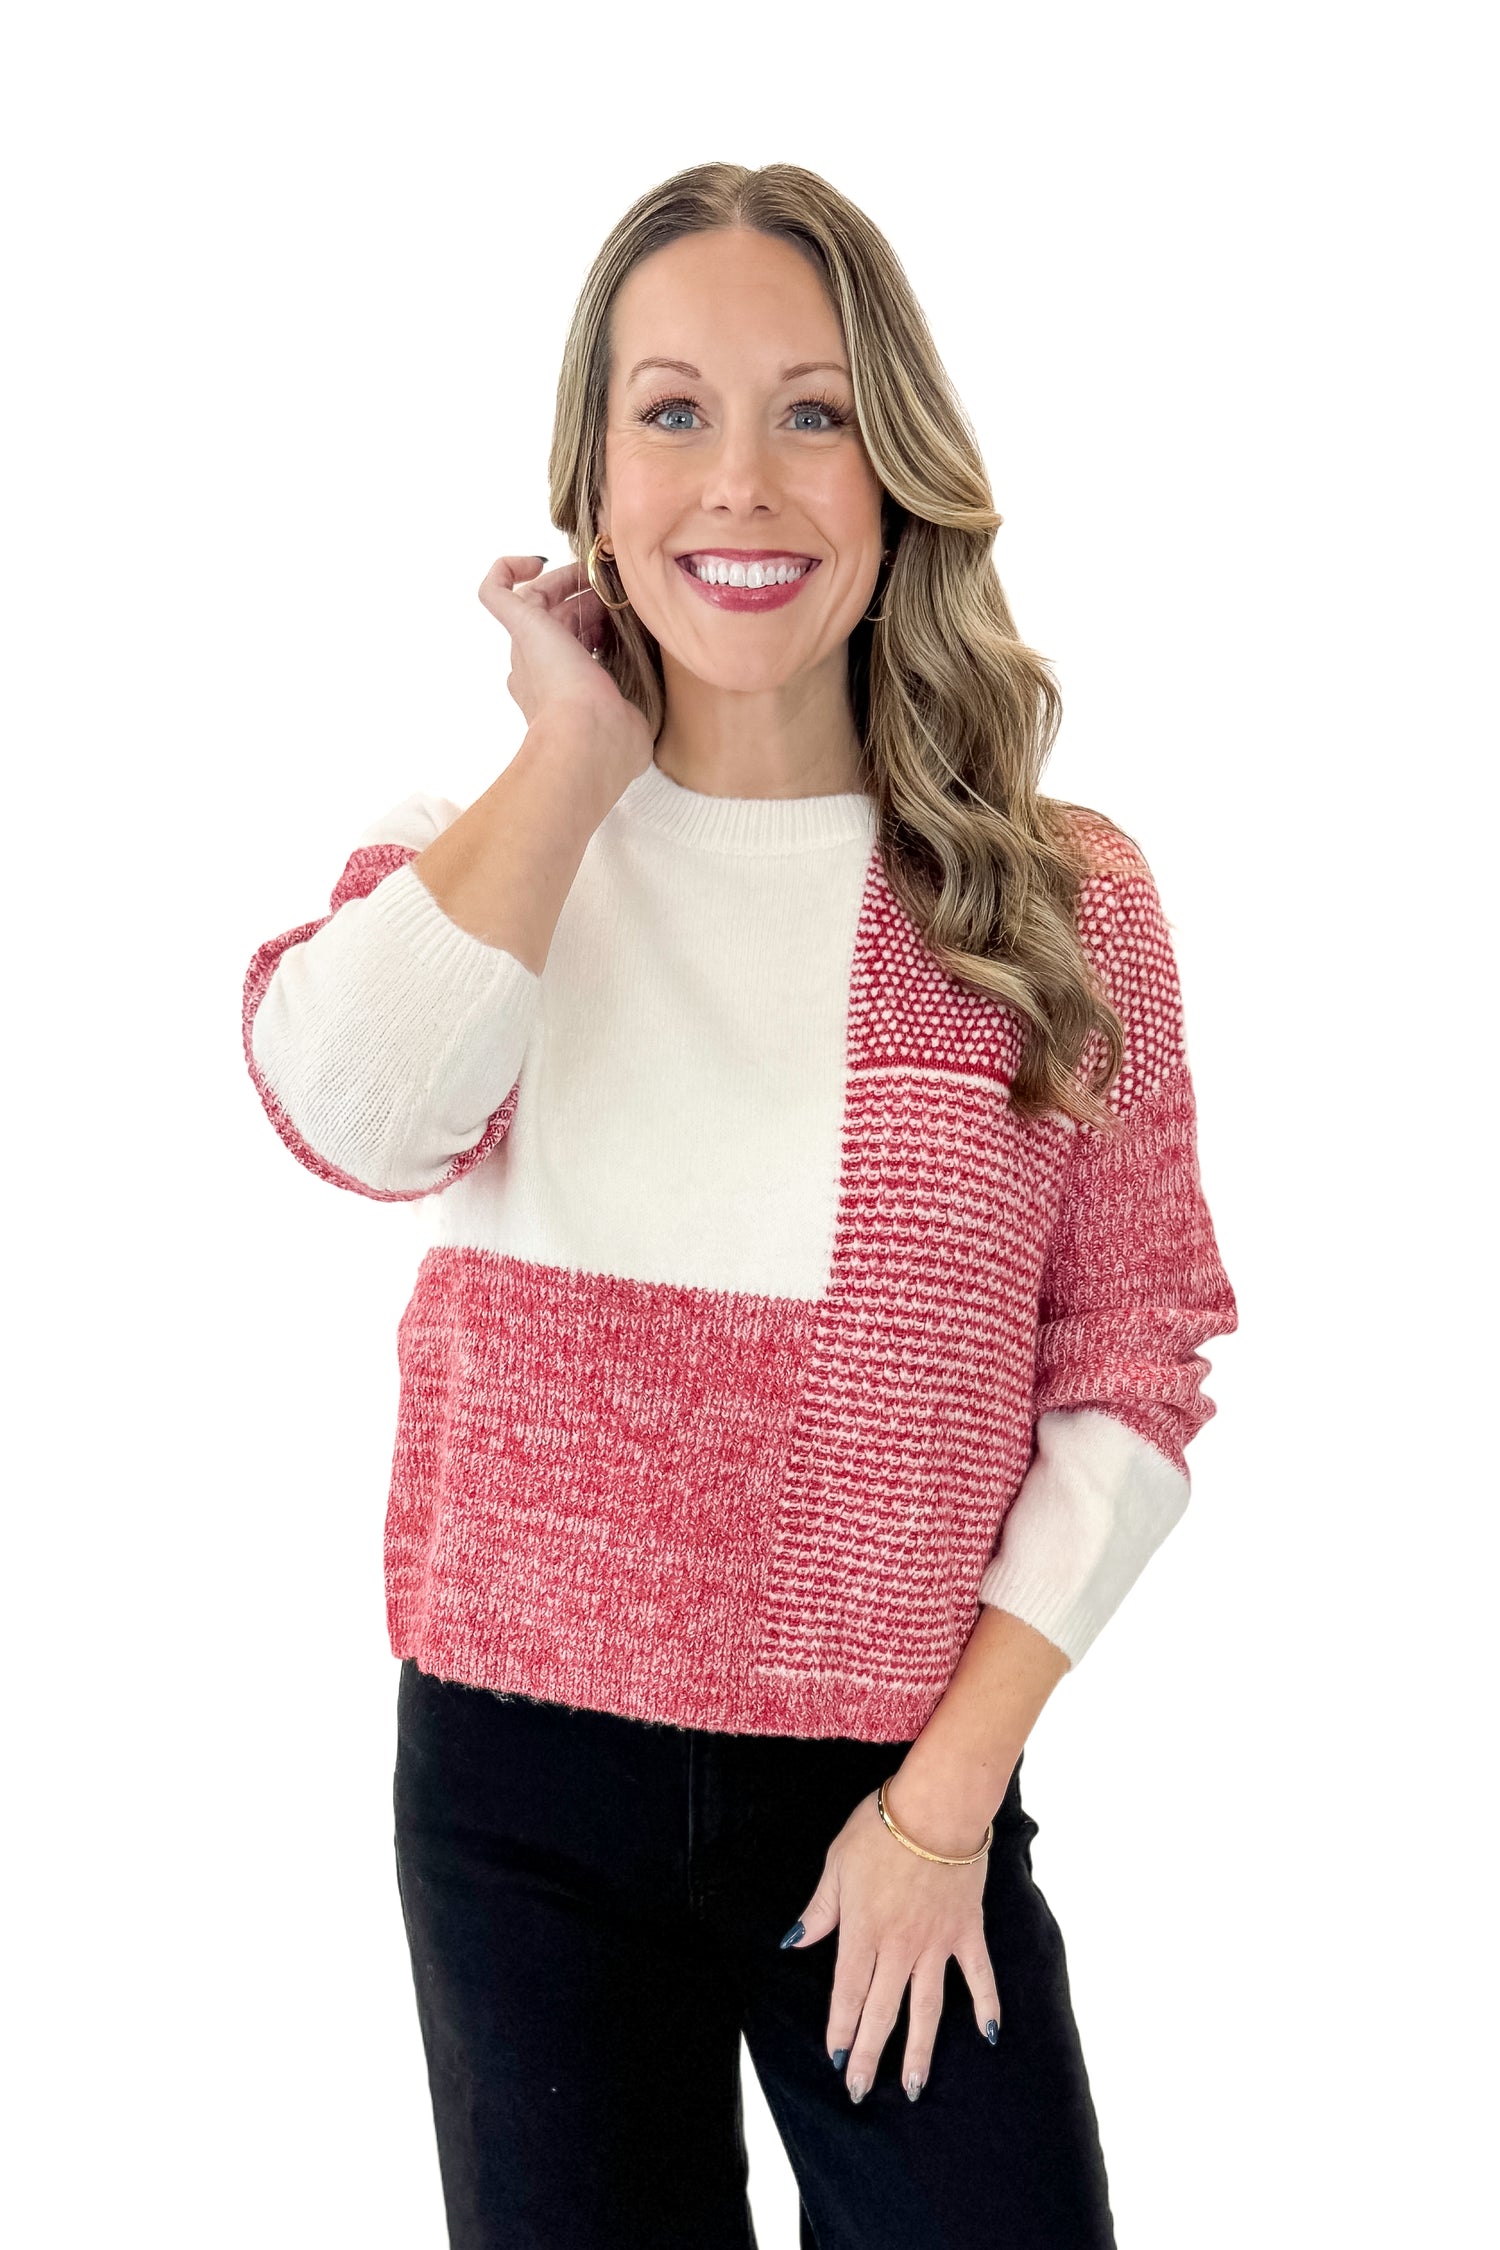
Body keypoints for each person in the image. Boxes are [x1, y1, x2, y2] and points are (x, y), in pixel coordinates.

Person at [241, 160, 1238, 2250]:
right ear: (590, 481)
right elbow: (347, 1114)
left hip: (886, 1779)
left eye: (811, 409)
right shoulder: (492, 855)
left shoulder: (1050, 906)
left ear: (898, 466)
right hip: (521, 1789)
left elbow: (1132, 1372)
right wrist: (579, 757)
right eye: (672, 412)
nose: (745, 483)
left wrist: (942, 1807)